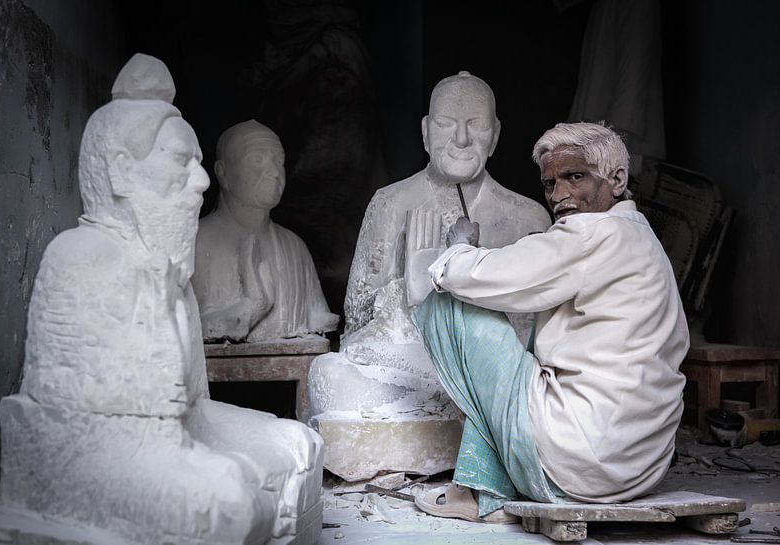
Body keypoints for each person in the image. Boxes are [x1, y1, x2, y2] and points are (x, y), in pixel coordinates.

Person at [0, 54, 323, 545]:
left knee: (301, 442)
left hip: (171, 437)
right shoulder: (79, 258)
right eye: (180, 162)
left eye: (197, 162)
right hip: (92, 455)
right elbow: (69, 423)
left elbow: (194, 410)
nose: (202, 182)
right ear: (123, 171)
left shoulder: (172, 277)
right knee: (231, 504)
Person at [413, 122, 688, 522]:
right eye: (549, 183)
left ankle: (479, 490)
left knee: (448, 305)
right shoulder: (641, 237)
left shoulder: (593, 233)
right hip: (638, 472)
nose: (558, 195)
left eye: (574, 177)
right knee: (529, 348)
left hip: (578, 465)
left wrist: (458, 246)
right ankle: (486, 481)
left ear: (616, 179)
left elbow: (471, 275)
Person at [307, 71, 551, 480]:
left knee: (533, 388)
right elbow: (357, 326)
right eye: (445, 124)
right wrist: (408, 290)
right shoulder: (390, 203)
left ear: (495, 135)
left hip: (497, 379)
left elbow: (537, 337)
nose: (461, 139)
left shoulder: (527, 218)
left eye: (475, 125)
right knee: (330, 374)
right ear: (424, 132)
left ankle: (470, 431)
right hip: (409, 371)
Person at [194, 120, 338, 342]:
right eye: (258, 159)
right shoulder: (196, 241)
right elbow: (178, 328)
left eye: (278, 161)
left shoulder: (294, 247)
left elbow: (319, 321)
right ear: (223, 173)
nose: (273, 171)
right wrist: (247, 311)